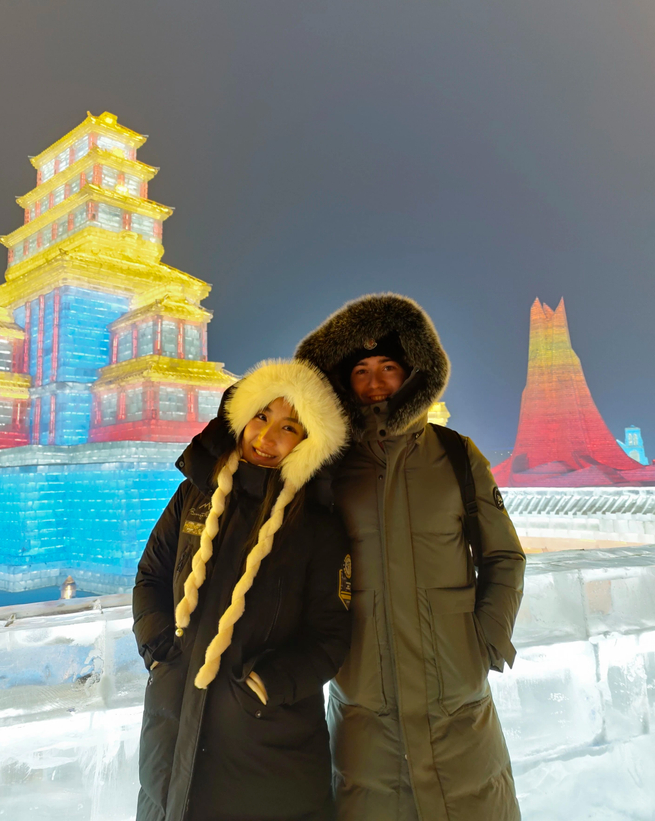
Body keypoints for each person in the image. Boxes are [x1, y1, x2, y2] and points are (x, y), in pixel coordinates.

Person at [295, 293, 526, 821]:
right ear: (341, 381)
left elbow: (504, 556)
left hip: (455, 691)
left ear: (414, 372)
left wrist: (484, 642)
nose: (375, 382)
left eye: (388, 367)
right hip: (362, 696)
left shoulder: (456, 454)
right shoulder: (327, 468)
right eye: (361, 370)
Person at [132, 359, 352, 821]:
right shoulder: (194, 496)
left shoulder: (318, 526)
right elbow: (151, 575)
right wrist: (158, 650)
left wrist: (266, 686)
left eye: (288, 427)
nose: (266, 437)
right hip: (173, 724)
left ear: (309, 441)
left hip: (267, 747)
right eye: (261, 417)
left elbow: (331, 635)